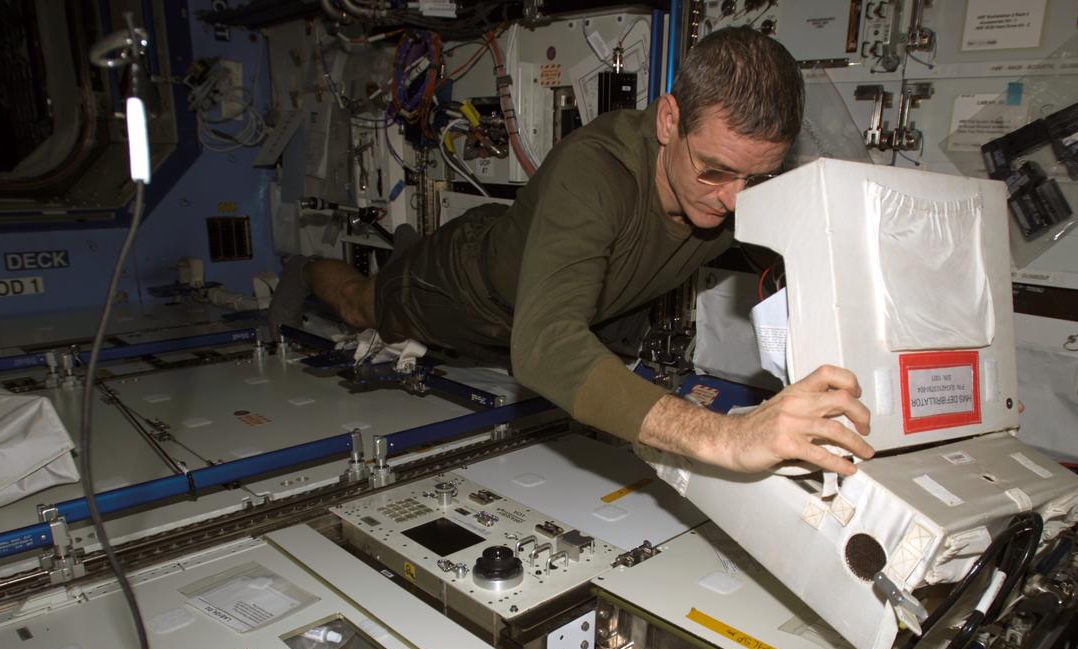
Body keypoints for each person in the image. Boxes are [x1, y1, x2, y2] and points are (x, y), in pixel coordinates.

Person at [271, 26, 873, 476]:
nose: (738, 202)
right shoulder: (597, 171)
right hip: (459, 289)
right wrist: (728, 438)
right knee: (362, 304)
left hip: (542, 286)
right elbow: (543, 348)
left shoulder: (735, 185)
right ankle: (305, 267)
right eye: (715, 171)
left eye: (757, 180)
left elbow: (818, 259)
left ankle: (403, 247)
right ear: (668, 119)